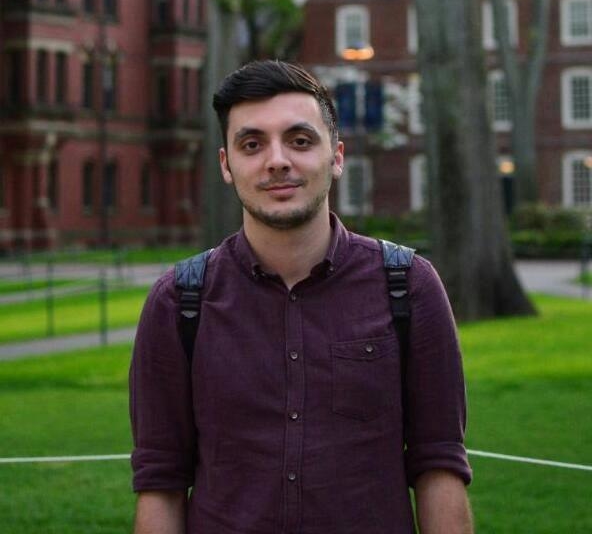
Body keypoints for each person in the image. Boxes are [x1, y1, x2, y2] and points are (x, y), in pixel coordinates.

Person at [129, 60, 473, 534]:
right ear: (226, 164)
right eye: (252, 144)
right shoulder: (179, 302)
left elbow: (440, 465)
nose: (277, 161)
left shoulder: (409, 287)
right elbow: (161, 481)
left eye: (300, 140)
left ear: (336, 156)